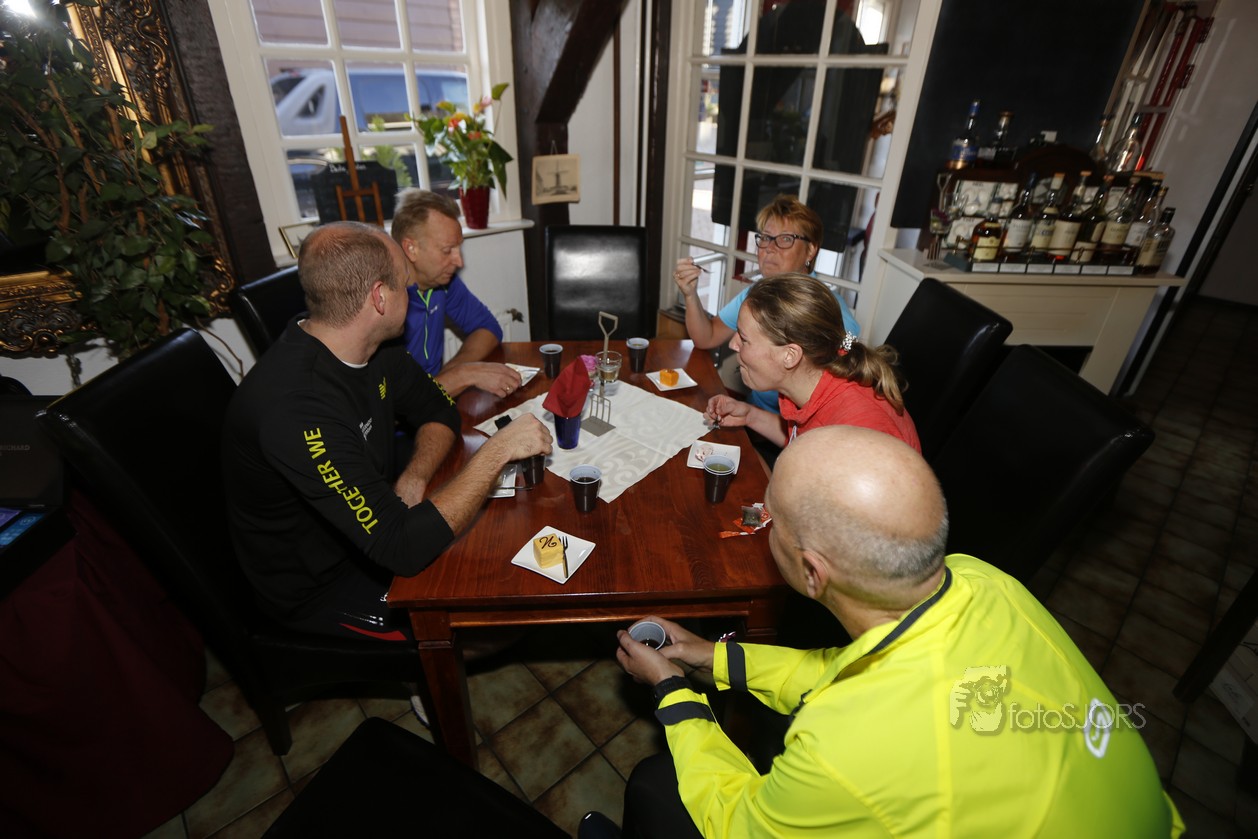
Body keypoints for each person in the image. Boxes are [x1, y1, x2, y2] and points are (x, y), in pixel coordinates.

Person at [610, 426, 1183, 838]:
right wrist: (708, 656)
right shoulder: (981, 579)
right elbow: (846, 671)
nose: (763, 523)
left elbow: (739, 824)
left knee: (657, 784)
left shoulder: (845, 748)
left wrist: (672, 692)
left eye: (771, 518)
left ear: (812, 572)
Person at [222, 221, 552, 641]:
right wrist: (497, 451)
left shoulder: (373, 346)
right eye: (404, 285)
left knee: (500, 552)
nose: (412, 293)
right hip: (320, 587)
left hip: (375, 530)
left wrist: (415, 474)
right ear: (379, 297)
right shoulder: (295, 409)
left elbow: (437, 408)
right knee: (490, 625)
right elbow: (403, 548)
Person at [672, 194, 860, 414]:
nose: (770, 248)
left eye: (786, 239)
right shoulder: (757, 294)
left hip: (798, 427)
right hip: (753, 414)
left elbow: (841, 386)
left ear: (810, 250)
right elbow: (707, 337)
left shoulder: (828, 311)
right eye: (765, 237)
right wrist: (690, 295)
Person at [703, 272, 920, 452]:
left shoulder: (858, 434)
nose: (733, 344)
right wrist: (750, 415)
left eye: (744, 338)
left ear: (790, 355)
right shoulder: (808, 380)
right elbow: (804, 441)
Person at [392, 188, 522, 398]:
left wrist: (447, 377)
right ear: (411, 248)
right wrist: (460, 376)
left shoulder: (442, 281)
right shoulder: (384, 305)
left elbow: (488, 328)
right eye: (447, 250)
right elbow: (396, 403)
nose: (459, 261)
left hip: (434, 402)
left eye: (459, 248)